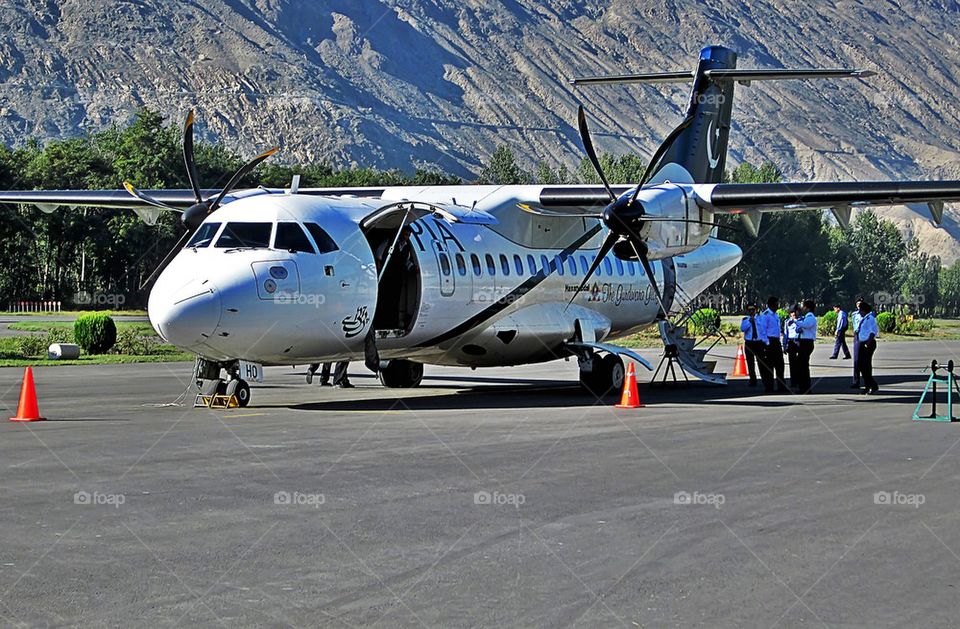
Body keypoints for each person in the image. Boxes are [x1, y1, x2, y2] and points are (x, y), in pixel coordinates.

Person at [761, 296, 788, 392]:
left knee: (780, 365)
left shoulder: (776, 315)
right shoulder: (766, 315)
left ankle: (781, 386)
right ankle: (769, 387)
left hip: (776, 341)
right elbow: (762, 331)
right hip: (769, 341)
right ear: (771, 305)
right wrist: (767, 343)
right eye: (776, 304)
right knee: (769, 366)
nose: (778, 305)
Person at [740, 303, 768, 387]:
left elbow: (763, 331)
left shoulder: (760, 319)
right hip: (750, 343)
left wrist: (765, 342)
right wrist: (749, 322)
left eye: (753, 310)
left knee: (761, 362)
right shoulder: (745, 319)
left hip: (759, 343)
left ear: (756, 310)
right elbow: (742, 329)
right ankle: (753, 380)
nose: (751, 311)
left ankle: (764, 379)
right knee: (750, 363)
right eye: (749, 310)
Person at [794, 300, 818, 394]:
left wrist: (795, 321)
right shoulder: (806, 317)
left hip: (807, 343)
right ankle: (802, 386)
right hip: (803, 342)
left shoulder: (810, 317)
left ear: (808, 308)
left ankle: (805, 388)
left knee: (803, 366)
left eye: (804, 307)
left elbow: (805, 325)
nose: (802, 308)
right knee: (801, 366)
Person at [856, 302, 879, 394]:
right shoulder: (864, 318)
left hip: (868, 343)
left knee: (865, 366)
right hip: (862, 343)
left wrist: (867, 343)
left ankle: (871, 385)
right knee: (860, 366)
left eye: (860, 310)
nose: (859, 312)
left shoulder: (870, 319)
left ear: (864, 310)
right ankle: (868, 385)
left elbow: (873, 332)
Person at [782, 305, 801, 390]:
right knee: (792, 363)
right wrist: (784, 345)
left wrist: (796, 322)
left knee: (800, 363)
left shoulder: (802, 320)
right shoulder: (787, 322)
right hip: (791, 342)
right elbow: (786, 334)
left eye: (795, 312)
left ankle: (800, 380)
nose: (794, 314)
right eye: (792, 312)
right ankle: (793, 381)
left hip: (799, 341)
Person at [850, 298, 864, 388]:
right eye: (858, 304)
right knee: (856, 360)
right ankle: (856, 381)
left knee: (865, 361)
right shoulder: (854, 315)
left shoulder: (866, 315)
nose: (859, 306)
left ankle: (867, 381)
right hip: (857, 336)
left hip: (864, 336)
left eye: (861, 304)